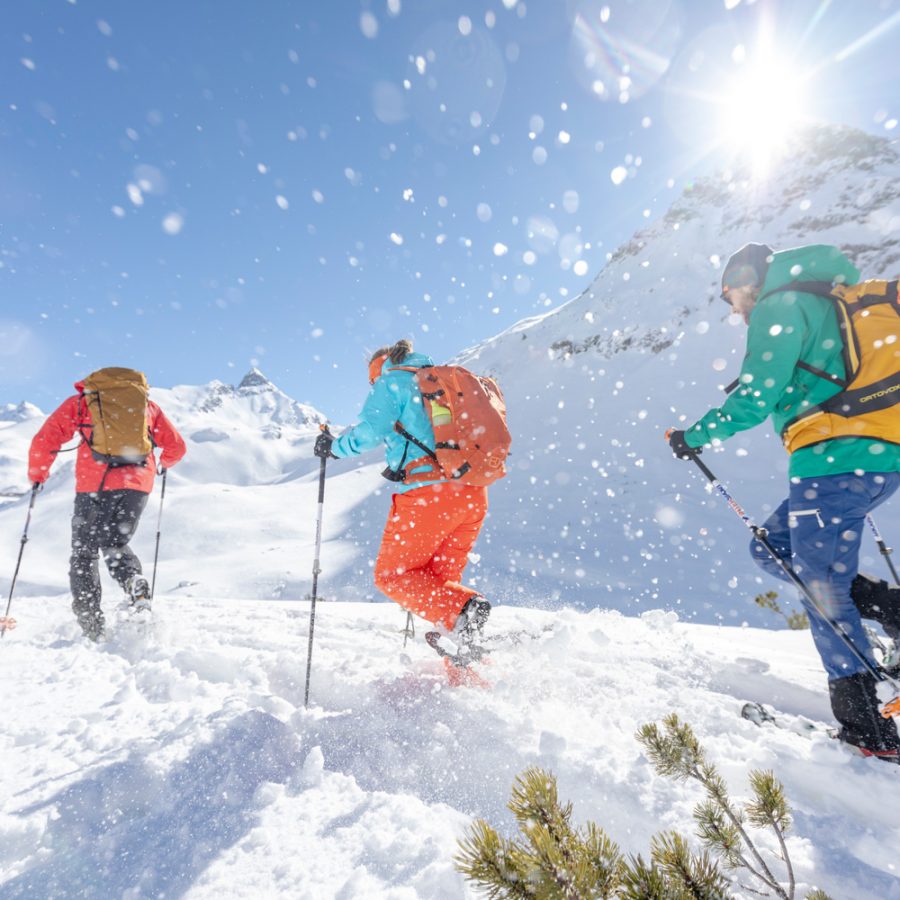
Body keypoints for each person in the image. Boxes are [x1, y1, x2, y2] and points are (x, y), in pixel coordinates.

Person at [668, 242, 900, 761]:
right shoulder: (828, 298)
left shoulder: (780, 303)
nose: (735, 309)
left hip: (833, 462)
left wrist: (695, 436)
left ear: (749, 280)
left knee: (821, 587)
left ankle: (867, 726)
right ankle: (890, 610)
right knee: (771, 547)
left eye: (732, 295)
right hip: (879, 458)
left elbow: (755, 396)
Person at [314, 339, 492, 657]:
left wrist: (333, 447)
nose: (372, 386)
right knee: (439, 590)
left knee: (392, 575)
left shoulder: (392, 380)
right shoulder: (443, 382)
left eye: (371, 381)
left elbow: (369, 431)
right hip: (473, 494)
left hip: (429, 496)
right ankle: (466, 681)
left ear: (378, 368)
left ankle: (468, 608)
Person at [28, 369, 186, 641]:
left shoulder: (82, 402)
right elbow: (177, 447)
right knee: (114, 542)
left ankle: (92, 626)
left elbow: (46, 439)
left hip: (95, 486)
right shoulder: (147, 406)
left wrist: (38, 475)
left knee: (84, 553)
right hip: (136, 486)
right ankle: (133, 580)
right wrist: (164, 463)